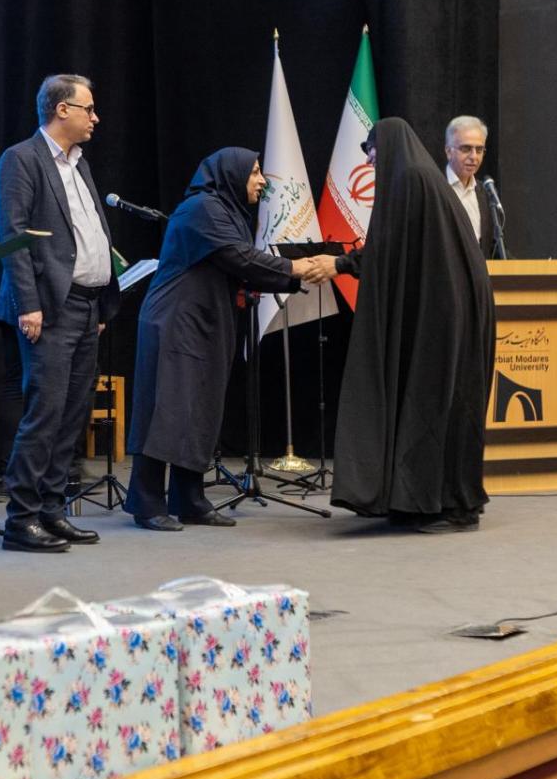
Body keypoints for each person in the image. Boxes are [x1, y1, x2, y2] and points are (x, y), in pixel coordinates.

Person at [121, 148, 337, 531]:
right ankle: (146, 501)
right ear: (230, 174)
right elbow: (240, 258)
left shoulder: (227, 211)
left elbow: (242, 264)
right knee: (165, 411)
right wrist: (295, 268)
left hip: (205, 322)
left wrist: (291, 275)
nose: (262, 180)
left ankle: (189, 499)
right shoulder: (203, 208)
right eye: (254, 172)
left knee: (199, 410)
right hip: (175, 322)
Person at [332, 117, 495, 532]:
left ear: (388, 146)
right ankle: (418, 501)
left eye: (372, 152)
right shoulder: (421, 179)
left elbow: (388, 247)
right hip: (446, 314)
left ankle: (453, 507)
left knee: (440, 409)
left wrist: (340, 264)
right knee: (436, 407)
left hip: (447, 320)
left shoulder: (412, 181)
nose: (370, 162)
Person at [0, 74, 118, 553]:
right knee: (44, 413)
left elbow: (88, 233)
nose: (96, 118)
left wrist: (101, 300)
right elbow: (14, 236)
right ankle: (21, 518)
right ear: (62, 109)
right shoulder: (22, 159)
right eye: (89, 108)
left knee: (72, 414)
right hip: (48, 308)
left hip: (86, 305)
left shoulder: (79, 163)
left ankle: (52, 510)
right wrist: (28, 304)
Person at [443, 115, 501, 258]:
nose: (474, 156)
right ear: (449, 151)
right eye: (466, 149)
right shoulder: (435, 189)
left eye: (479, 150)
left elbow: (494, 249)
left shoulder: (485, 193)